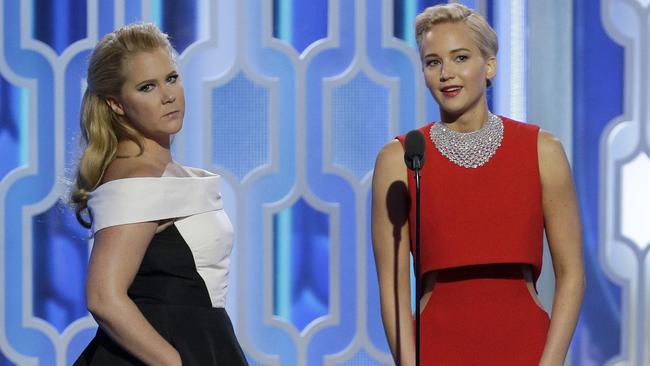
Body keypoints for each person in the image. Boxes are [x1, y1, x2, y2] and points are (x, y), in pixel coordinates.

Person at [371, 4, 584, 365]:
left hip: (526, 350)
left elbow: (572, 274)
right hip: (437, 350)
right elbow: (392, 288)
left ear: (489, 66)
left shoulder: (541, 151)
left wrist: (550, 362)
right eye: (433, 62)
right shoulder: (401, 159)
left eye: (460, 57)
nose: (446, 74)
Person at [70, 23, 248, 365]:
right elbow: (103, 297)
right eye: (146, 87)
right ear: (117, 104)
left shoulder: (163, 174)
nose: (168, 95)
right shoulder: (137, 179)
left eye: (171, 78)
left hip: (203, 341)